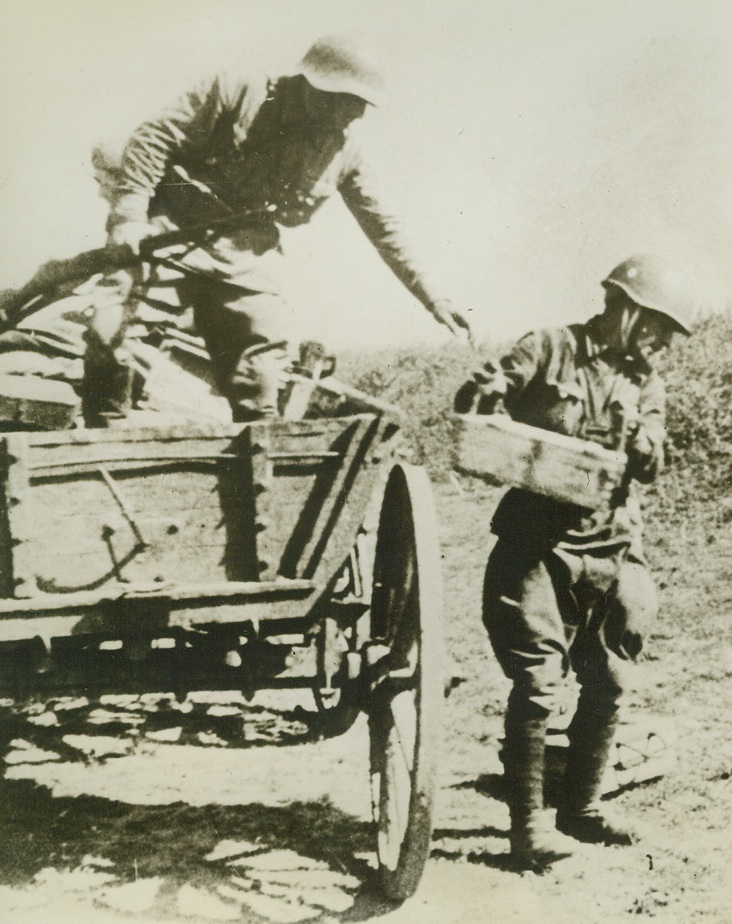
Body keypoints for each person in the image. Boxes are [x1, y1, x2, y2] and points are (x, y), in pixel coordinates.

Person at [84, 34, 471, 426]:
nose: (356, 115)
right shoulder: (236, 91)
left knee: (262, 368)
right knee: (110, 331)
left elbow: (383, 225)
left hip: (246, 255)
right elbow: (153, 137)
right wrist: (130, 216)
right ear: (316, 88)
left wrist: (432, 297)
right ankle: (100, 438)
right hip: (168, 229)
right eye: (349, 101)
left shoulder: (344, 152)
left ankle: (258, 465)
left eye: (361, 104)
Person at [454, 254, 693, 869]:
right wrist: (488, 390)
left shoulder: (646, 382)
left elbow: (654, 462)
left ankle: (582, 809)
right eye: (656, 324)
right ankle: (527, 828)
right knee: (537, 681)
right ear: (623, 306)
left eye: (668, 332)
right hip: (537, 544)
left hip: (612, 545)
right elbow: (481, 396)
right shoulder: (549, 348)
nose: (662, 340)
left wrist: (647, 445)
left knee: (611, 677)